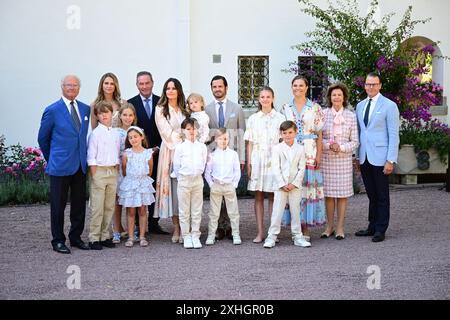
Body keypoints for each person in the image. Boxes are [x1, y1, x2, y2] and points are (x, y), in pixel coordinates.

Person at [38, 75, 91, 254]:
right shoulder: (52, 110)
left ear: (79, 88)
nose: (72, 88)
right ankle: (58, 240)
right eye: (68, 85)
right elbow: (43, 138)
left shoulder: (85, 109)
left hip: (80, 166)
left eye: (75, 85)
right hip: (60, 166)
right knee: (58, 206)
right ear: (62, 87)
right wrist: (53, 158)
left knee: (79, 205)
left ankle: (75, 237)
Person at [279, 75, 326, 243]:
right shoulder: (285, 108)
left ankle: (305, 228)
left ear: (307, 87)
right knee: (293, 191)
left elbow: (320, 133)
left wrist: (319, 155)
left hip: (309, 152)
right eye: (295, 85)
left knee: (307, 191)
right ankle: (295, 229)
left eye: (301, 85)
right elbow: (281, 133)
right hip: (290, 153)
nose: (297, 88)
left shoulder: (314, 108)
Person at [355, 72, 399, 243]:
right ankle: (371, 226)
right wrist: (357, 157)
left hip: (381, 157)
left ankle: (381, 229)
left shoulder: (389, 106)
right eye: (368, 84)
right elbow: (360, 133)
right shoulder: (360, 105)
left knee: (382, 195)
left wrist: (391, 159)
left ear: (380, 85)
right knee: (371, 195)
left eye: (374, 84)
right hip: (365, 156)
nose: (370, 87)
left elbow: (394, 135)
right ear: (365, 85)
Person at [205, 75, 246, 240]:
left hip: (231, 156)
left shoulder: (237, 109)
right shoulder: (206, 110)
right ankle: (219, 228)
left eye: (220, 86)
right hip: (213, 156)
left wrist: (242, 157)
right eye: (214, 87)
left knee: (229, 194)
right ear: (211, 89)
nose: (217, 89)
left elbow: (241, 133)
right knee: (216, 193)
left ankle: (229, 227)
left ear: (226, 88)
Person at [244, 86, 285, 243]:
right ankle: (260, 232)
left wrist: (282, 164)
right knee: (259, 196)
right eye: (262, 97)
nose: (265, 99)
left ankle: (273, 232)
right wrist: (249, 163)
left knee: (273, 196)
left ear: (273, 98)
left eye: (268, 96)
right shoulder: (254, 118)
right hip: (258, 160)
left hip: (274, 160)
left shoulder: (280, 118)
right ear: (259, 100)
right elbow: (250, 143)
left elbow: (283, 142)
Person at [128, 71, 168, 235]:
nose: (144, 86)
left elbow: (165, 128)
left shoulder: (161, 102)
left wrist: (157, 148)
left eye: (147, 83)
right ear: (137, 85)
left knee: (154, 188)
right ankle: (138, 225)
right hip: (139, 154)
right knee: (139, 188)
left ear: (152, 83)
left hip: (159, 152)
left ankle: (153, 223)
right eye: (141, 83)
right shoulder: (131, 103)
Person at [320, 83, 359, 240]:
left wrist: (341, 147)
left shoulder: (351, 116)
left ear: (344, 98)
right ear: (330, 97)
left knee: (342, 195)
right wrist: (330, 145)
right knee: (329, 195)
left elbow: (355, 141)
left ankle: (340, 227)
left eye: (339, 95)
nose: (336, 97)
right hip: (327, 159)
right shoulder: (322, 114)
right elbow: (318, 138)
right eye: (334, 95)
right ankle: (329, 226)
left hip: (343, 160)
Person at [263, 121, 310, 248]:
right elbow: (275, 168)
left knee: (295, 211)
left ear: (295, 133)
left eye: (290, 132)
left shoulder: (300, 148)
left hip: (295, 186)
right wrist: (282, 183)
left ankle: (297, 236)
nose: (288, 135)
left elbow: (302, 168)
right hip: (281, 186)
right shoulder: (277, 149)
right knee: (277, 212)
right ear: (281, 134)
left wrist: (294, 183)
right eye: (285, 133)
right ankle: (271, 236)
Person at [154, 78, 189, 243]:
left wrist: (187, 139)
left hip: (187, 153)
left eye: (174, 88)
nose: (170, 91)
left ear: (179, 91)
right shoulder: (160, 109)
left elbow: (192, 128)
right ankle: (176, 227)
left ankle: (186, 227)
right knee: (174, 192)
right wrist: (184, 137)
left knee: (185, 189)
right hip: (170, 152)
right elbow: (166, 132)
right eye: (167, 88)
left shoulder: (185, 108)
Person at [87, 101, 121, 250]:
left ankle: (105, 235)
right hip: (99, 171)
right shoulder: (95, 134)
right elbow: (91, 156)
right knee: (98, 207)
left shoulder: (115, 133)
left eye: (107, 112)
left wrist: (117, 168)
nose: (104, 115)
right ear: (97, 116)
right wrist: (94, 174)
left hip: (112, 171)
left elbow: (117, 152)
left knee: (109, 206)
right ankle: (94, 237)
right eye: (101, 113)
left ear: (111, 114)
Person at [172, 118, 208, 249]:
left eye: (194, 128)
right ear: (183, 131)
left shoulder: (202, 147)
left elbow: (203, 163)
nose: (191, 131)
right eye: (188, 129)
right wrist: (182, 178)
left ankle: (195, 235)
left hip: (197, 180)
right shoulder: (180, 148)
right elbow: (176, 166)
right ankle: (186, 235)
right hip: (184, 180)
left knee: (197, 209)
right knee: (184, 210)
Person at [118, 126, 155, 247]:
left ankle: (142, 236)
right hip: (131, 184)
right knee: (131, 211)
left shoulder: (148, 154)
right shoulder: (126, 154)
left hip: (143, 184)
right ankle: (130, 237)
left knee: (143, 210)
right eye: (130, 138)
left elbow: (150, 171)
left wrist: (141, 178)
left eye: (135, 136)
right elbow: (124, 170)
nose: (133, 139)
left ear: (141, 137)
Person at [204, 128, 241, 246]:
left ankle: (236, 234)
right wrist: (211, 184)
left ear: (229, 139)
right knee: (214, 212)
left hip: (229, 185)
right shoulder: (212, 155)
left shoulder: (233, 154)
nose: (223, 141)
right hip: (216, 186)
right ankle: (211, 234)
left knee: (233, 212)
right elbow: (207, 172)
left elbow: (237, 171)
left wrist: (234, 185)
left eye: (225, 138)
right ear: (216, 140)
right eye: (220, 139)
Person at [112, 103, 138, 244]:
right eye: (125, 115)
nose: (128, 118)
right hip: (119, 169)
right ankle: (116, 229)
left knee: (131, 200)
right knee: (117, 201)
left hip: (133, 170)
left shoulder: (138, 131)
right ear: (120, 116)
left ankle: (130, 229)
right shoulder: (116, 132)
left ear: (134, 117)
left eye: (131, 115)